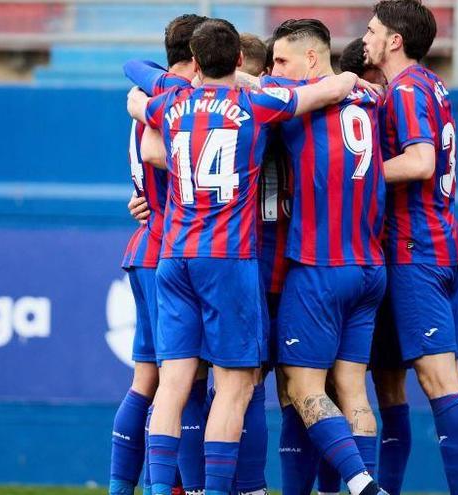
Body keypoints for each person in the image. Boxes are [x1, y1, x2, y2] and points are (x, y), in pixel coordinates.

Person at [126, 18, 361, 495]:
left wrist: (144, 99)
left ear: (194, 62)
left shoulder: (170, 100)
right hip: (229, 258)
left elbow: (137, 81)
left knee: (171, 385)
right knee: (236, 386)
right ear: (238, 60)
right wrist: (349, 79)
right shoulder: (255, 103)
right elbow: (326, 91)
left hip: (174, 255)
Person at [363, 1, 458, 494]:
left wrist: (355, 178)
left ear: (394, 40)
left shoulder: (404, 90)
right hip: (441, 240)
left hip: (416, 247)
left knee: (438, 381)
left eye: (373, 30)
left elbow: (421, 162)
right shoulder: (430, 84)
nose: (366, 37)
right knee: (453, 379)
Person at [259, 18, 387, 495]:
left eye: (282, 60)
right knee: (353, 388)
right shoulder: (371, 99)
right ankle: (364, 482)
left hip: (320, 268)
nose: (275, 70)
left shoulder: (296, 103)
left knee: (303, 388)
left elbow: (244, 88)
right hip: (371, 270)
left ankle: (361, 484)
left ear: (311, 59)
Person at [110, 13, 206, 495]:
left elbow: (134, 64)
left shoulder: (148, 102)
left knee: (148, 379)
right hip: (177, 251)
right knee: (181, 381)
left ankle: (126, 487)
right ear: (195, 60)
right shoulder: (183, 105)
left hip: (146, 248)